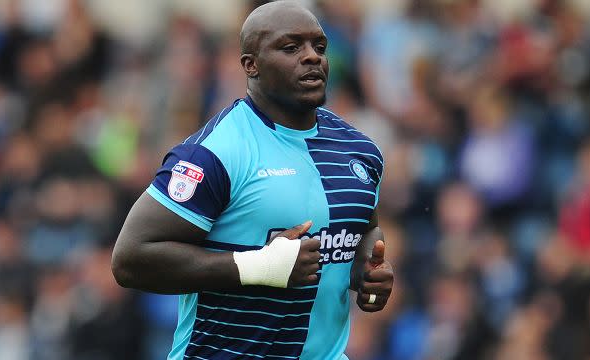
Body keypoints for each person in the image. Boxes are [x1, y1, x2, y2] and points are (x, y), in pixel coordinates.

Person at [111, 2, 394, 359]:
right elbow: (131, 259)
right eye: (291, 48)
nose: (312, 57)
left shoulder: (361, 150)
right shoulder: (215, 152)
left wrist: (367, 269)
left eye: (319, 47)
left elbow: (365, 227)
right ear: (251, 64)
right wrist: (259, 267)